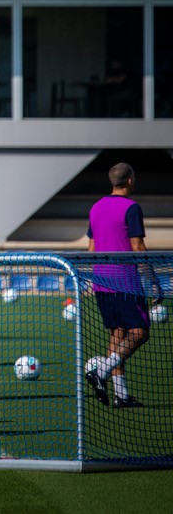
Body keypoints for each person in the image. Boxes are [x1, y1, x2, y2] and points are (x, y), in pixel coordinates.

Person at [83, 162, 161, 408]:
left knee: (118, 334)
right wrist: (154, 282)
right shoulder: (132, 207)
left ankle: (122, 395)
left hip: (101, 282)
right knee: (140, 333)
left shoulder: (96, 207)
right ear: (130, 181)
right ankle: (101, 372)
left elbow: (92, 248)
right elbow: (137, 247)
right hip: (125, 281)